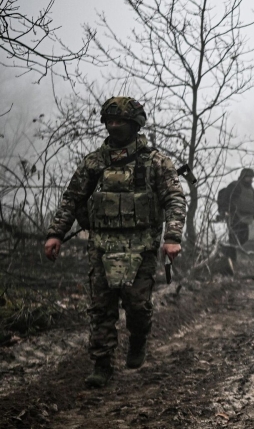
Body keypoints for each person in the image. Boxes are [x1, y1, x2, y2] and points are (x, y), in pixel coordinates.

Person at [43, 97, 186, 388]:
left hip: (142, 244)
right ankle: (102, 363)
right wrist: (56, 233)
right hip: (102, 244)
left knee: (137, 305)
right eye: (110, 121)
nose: (114, 126)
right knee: (101, 307)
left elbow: (174, 199)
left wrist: (172, 237)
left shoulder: (155, 162)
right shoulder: (95, 162)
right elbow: (72, 199)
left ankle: (138, 339)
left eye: (120, 121)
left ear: (134, 124)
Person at [221, 168, 254, 271]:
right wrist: (225, 211)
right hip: (235, 217)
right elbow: (226, 198)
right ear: (243, 177)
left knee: (244, 239)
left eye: (252, 178)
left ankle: (228, 255)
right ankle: (230, 261)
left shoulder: (251, 190)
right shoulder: (235, 186)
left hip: (246, 218)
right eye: (249, 177)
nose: (251, 180)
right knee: (234, 240)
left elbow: (253, 204)